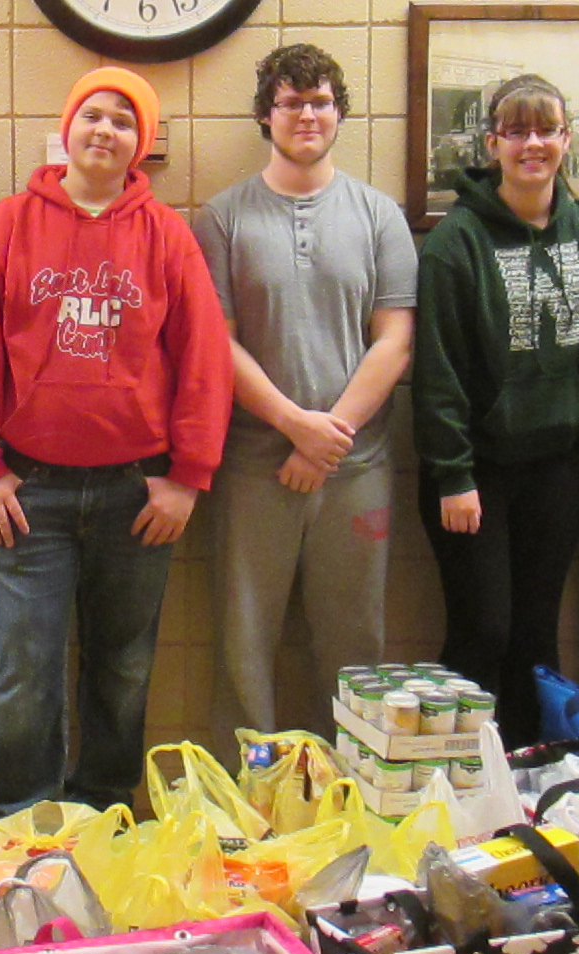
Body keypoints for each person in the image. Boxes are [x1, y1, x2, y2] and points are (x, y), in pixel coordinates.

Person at [0, 67, 233, 816]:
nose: (106, 130)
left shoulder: (166, 235)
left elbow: (204, 356)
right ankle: (20, 822)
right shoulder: (9, 224)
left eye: (124, 121)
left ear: (140, 144)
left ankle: (103, 809)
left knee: (124, 667)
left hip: (137, 495)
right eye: (93, 115)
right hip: (26, 493)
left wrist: (189, 476)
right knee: (22, 669)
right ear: (67, 127)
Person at [192, 44, 416, 740]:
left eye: (321, 101)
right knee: (244, 646)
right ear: (267, 115)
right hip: (254, 467)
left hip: (357, 470)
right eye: (292, 101)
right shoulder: (222, 218)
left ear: (340, 113)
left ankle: (351, 799)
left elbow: (395, 341)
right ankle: (246, 809)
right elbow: (215, 346)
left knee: (355, 646)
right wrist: (294, 426)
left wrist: (326, 441)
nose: (307, 114)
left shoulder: (380, 216)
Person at [411, 74, 579, 746]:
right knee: (483, 630)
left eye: (546, 130)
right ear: (493, 143)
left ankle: (529, 774)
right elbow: (437, 367)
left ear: (566, 140)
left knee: (536, 632)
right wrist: (453, 473)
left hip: (557, 464)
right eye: (517, 132)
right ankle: (445, 774)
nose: (533, 144)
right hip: (476, 472)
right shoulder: (455, 242)